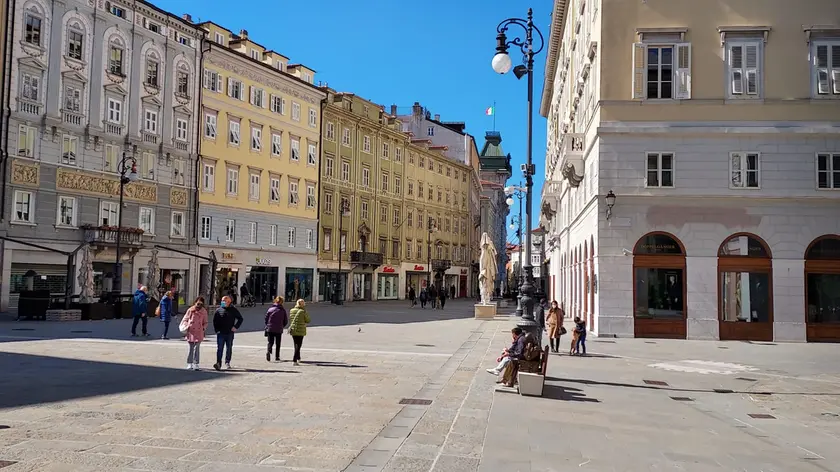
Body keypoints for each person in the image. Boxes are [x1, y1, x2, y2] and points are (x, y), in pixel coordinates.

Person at [213, 295, 243, 370]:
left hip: (229, 332)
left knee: (229, 348)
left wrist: (235, 327)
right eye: (222, 300)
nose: (222, 302)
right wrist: (217, 330)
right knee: (220, 348)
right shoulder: (218, 310)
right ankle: (218, 363)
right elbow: (215, 321)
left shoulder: (233, 310)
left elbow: (240, 319)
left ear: (229, 302)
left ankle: (227, 362)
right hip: (221, 333)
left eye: (224, 301)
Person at [184, 297, 208, 370]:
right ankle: (189, 363)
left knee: (196, 348)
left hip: (199, 331)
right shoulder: (190, 310)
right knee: (191, 348)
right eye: (198, 303)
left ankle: (196, 363)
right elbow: (185, 319)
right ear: (195, 302)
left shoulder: (204, 311)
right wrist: (187, 325)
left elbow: (206, 322)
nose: (198, 305)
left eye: (200, 303)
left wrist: (203, 328)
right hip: (191, 331)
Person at [265, 296, 288, 362]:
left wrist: (268, 325)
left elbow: (266, 318)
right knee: (278, 343)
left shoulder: (270, 309)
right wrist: (282, 326)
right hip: (278, 329)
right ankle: (277, 356)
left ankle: (269, 351)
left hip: (270, 328)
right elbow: (285, 320)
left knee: (270, 342)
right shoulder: (282, 310)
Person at [288, 299, 311, 366]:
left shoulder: (291, 310)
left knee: (295, 343)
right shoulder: (303, 311)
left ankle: (298, 357)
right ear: (302, 304)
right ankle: (295, 359)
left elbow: (291, 318)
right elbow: (308, 320)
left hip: (293, 329)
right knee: (299, 344)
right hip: (300, 330)